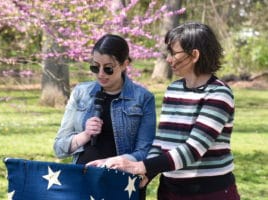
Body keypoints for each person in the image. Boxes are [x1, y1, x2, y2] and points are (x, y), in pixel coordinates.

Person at [87, 22, 241, 200]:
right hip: (170, 191)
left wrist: (140, 166)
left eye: (173, 53)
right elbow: (161, 143)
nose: (168, 59)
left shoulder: (218, 93)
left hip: (210, 193)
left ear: (194, 55)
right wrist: (147, 173)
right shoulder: (174, 89)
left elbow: (193, 149)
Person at [53, 34, 156, 169]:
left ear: (125, 64)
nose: (101, 74)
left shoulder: (143, 98)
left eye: (108, 68)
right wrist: (85, 135)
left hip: (120, 180)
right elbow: (59, 148)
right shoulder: (81, 92)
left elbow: (145, 151)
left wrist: (111, 163)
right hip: (82, 178)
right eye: (95, 67)